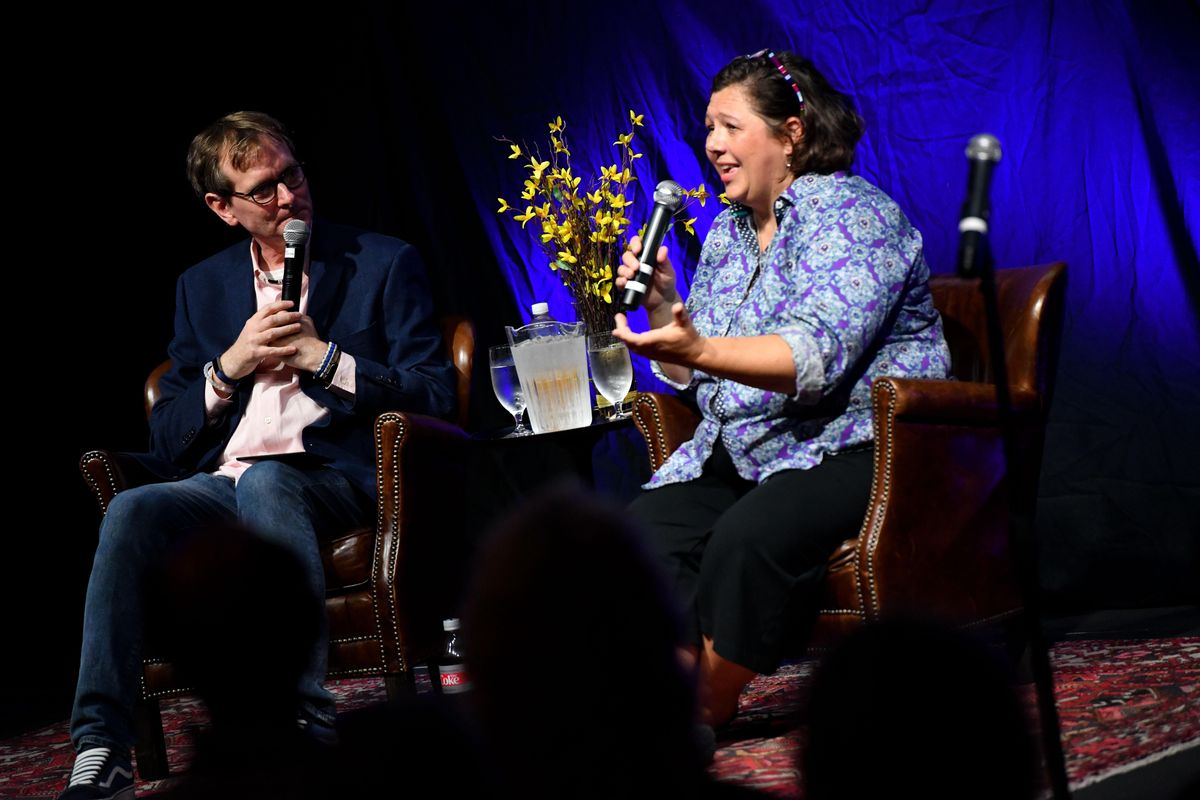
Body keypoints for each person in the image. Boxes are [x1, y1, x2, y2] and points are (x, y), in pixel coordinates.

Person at [61, 111, 456, 800]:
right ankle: (101, 745)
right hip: (226, 478)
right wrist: (229, 366)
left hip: (339, 474)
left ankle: (300, 723)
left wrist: (326, 359)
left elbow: (433, 391)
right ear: (222, 208)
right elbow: (168, 435)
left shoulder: (383, 261)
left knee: (271, 481)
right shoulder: (201, 287)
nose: (288, 198)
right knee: (130, 509)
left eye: (292, 176)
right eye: (264, 189)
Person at [613, 50, 951, 730]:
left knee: (747, 537)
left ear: (791, 134)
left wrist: (699, 347)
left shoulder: (855, 216)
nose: (711, 145)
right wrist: (664, 310)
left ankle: (697, 710)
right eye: (709, 128)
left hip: (857, 441)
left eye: (730, 127)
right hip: (751, 445)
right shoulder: (730, 235)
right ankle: (682, 707)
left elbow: (811, 357)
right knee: (635, 542)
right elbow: (697, 372)